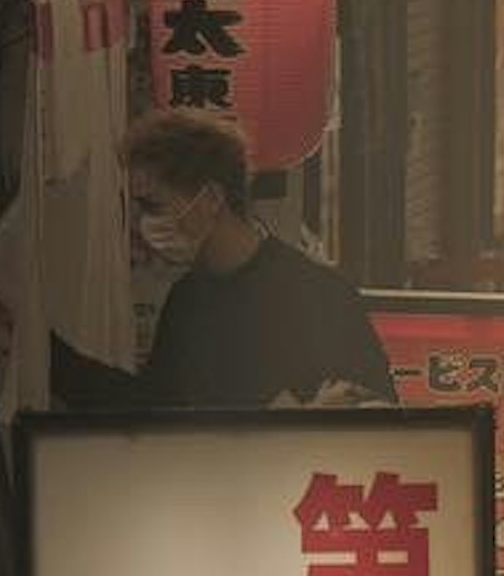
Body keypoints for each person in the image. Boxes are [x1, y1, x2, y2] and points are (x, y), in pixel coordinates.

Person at [37, 108, 398, 412]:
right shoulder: (188, 299)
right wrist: (45, 353)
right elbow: (156, 408)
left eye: (151, 205)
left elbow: (379, 420)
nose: (136, 223)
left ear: (210, 198)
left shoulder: (319, 294)